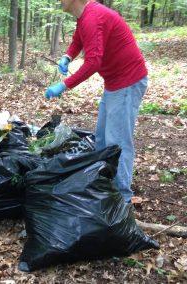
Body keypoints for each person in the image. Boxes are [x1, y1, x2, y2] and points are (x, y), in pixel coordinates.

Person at [45, 0, 148, 203]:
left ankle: (122, 199)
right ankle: (106, 185)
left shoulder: (92, 17)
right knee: (101, 139)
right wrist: (68, 56)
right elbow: (79, 38)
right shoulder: (84, 16)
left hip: (128, 81)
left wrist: (64, 85)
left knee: (117, 143)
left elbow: (93, 62)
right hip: (114, 83)